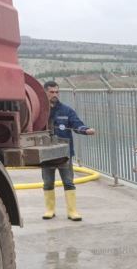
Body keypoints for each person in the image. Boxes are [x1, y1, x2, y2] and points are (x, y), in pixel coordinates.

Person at [41, 81, 96, 221]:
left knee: (68, 182)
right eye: (51, 92)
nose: (55, 95)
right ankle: (50, 210)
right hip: (46, 153)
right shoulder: (40, 110)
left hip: (64, 154)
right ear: (45, 92)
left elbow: (77, 124)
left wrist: (86, 130)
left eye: (56, 92)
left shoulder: (66, 110)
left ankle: (72, 211)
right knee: (48, 182)